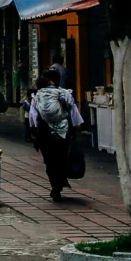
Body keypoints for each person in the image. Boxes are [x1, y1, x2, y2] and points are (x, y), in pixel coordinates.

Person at [26, 66, 85, 200]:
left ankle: (55, 186)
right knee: (61, 158)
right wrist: (74, 132)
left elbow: (33, 117)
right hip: (64, 133)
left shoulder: (37, 95)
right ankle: (59, 184)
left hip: (44, 132)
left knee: (49, 160)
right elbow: (74, 115)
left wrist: (33, 132)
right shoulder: (65, 94)